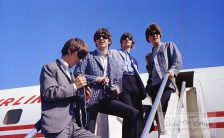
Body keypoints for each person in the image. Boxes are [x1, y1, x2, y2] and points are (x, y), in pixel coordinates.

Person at [75, 28, 139, 138]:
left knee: (132, 113)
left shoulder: (114, 60)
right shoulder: (88, 56)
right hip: (90, 98)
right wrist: (96, 79)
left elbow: (117, 79)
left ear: (109, 40)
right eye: (98, 37)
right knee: (87, 132)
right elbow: (77, 73)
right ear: (95, 41)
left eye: (104, 37)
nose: (101, 39)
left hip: (106, 98)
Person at [39, 38, 99, 138]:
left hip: (73, 125)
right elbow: (48, 93)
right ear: (70, 50)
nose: (80, 60)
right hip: (56, 127)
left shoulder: (71, 75)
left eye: (83, 58)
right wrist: (74, 86)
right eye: (80, 55)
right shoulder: (50, 67)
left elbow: (72, 101)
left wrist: (84, 98)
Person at [144, 23, 183, 114]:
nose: (155, 35)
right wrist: (148, 63)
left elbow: (177, 60)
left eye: (157, 33)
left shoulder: (169, 46)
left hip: (166, 84)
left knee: (161, 111)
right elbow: (151, 73)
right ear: (148, 38)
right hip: (154, 87)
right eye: (152, 34)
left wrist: (172, 71)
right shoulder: (151, 54)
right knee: (157, 114)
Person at [117, 32, 147, 136]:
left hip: (135, 83)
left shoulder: (135, 60)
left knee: (138, 113)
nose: (127, 39)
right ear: (121, 42)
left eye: (129, 38)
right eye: (124, 38)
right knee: (129, 112)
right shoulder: (116, 54)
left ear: (132, 42)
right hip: (123, 81)